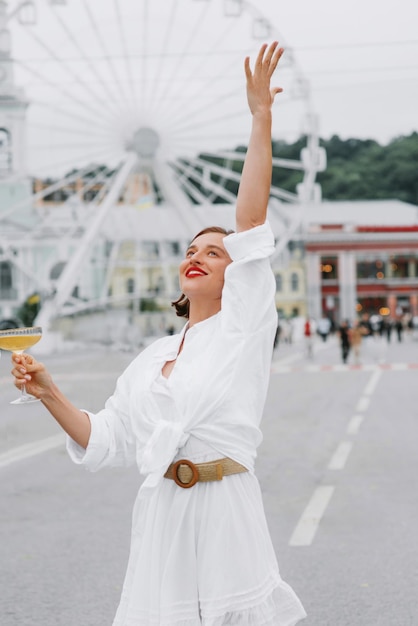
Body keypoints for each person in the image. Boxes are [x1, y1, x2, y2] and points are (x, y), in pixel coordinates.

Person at [10, 43, 306, 626]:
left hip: (225, 510)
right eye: (191, 250)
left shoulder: (244, 326)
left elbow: (250, 221)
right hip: (163, 514)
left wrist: (260, 119)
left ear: (235, 274)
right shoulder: (150, 359)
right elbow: (104, 440)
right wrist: (47, 391)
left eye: (214, 254)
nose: (197, 257)